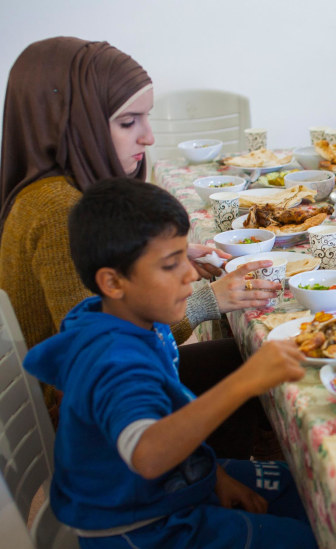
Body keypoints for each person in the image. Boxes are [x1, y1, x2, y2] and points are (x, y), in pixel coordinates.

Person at [0, 37, 277, 458]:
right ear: (71, 123)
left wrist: (156, 263)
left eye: (145, 118)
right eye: (129, 123)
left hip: (103, 396)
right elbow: (109, 341)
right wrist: (209, 299)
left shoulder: (58, 191)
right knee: (257, 370)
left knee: (246, 356)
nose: (148, 137)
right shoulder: (58, 209)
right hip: (96, 426)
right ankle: (210, 499)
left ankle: (226, 481)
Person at [23, 178, 317, 548]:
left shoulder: (127, 317)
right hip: (142, 526)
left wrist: (215, 476)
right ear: (113, 282)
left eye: (185, 256)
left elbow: (167, 416)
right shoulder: (115, 361)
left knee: (303, 485)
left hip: (173, 482)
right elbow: (147, 455)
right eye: (170, 264)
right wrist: (245, 381)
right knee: (307, 538)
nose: (191, 274)